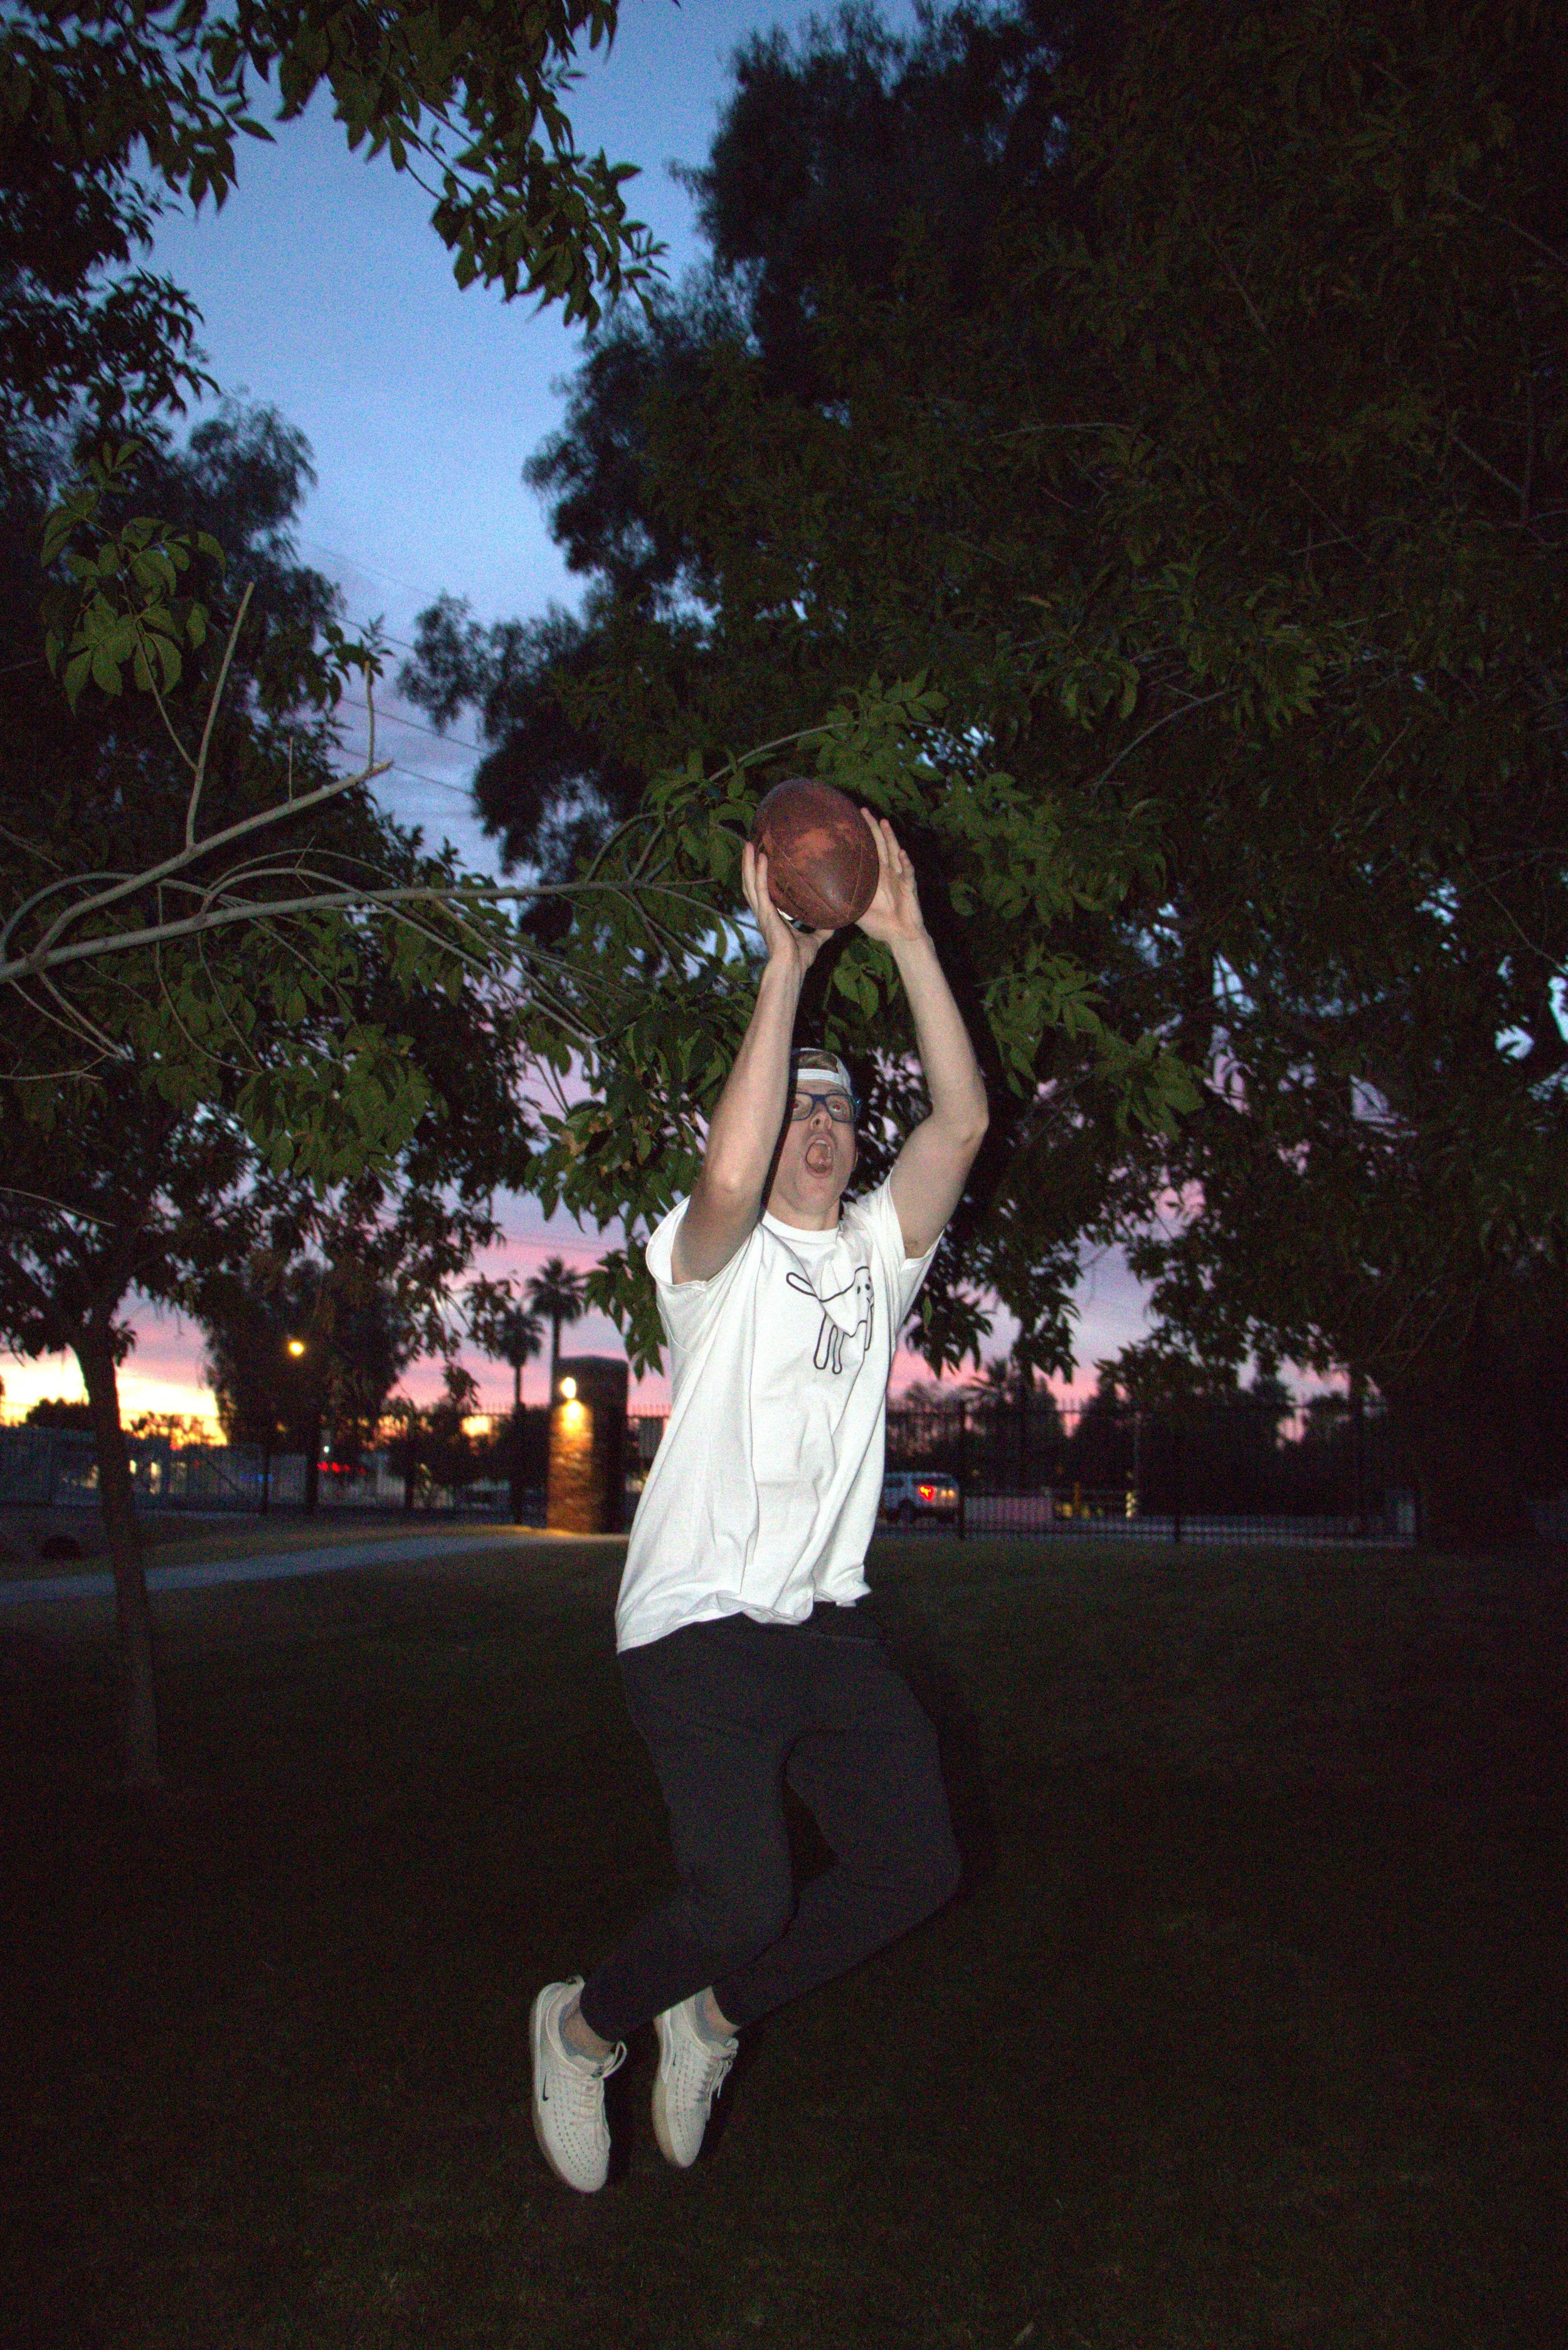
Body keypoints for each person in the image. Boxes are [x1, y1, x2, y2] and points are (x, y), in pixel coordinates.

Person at [529, 809, 989, 2193]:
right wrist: (781, 965)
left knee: (915, 1869)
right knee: (742, 1894)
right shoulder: (704, 1262)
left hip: (825, 1626)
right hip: (694, 1624)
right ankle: (584, 2024)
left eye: (843, 1107)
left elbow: (959, 1120)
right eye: (801, 1101)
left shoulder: (875, 1256)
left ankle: (711, 2013)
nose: (825, 1124)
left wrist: (904, 937)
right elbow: (727, 1171)